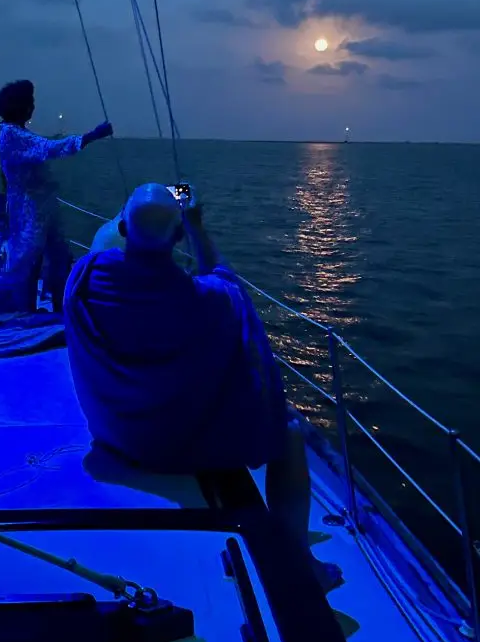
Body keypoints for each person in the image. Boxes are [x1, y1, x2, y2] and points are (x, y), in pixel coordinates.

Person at [63, 183, 342, 594]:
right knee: (289, 432)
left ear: (122, 228)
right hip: (177, 448)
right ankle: (299, 562)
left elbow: (104, 253)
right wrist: (195, 225)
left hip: (115, 438)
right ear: (177, 238)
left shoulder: (83, 279)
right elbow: (227, 280)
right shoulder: (210, 299)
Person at [0, 79, 113, 312]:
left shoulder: (17, 133)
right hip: (28, 208)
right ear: (22, 106)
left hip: (43, 207)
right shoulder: (10, 135)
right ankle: (25, 317)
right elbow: (49, 148)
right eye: (30, 102)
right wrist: (92, 136)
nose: (33, 106)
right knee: (27, 263)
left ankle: (61, 310)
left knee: (59, 258)